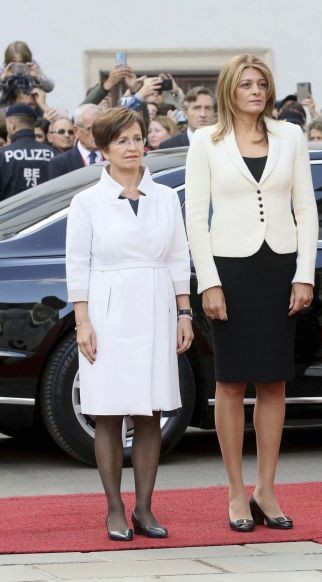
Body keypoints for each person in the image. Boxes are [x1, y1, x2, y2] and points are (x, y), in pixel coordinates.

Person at [184, 54, 318, 533]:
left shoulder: (291, 136)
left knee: (274, 381)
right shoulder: (206, 141)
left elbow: (307, 209)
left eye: (261, 83)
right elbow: (195, 217)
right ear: (229, 90)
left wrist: (304, 274)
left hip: (279, 267)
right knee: (231, 382)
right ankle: (236, 491)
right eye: (246, 84)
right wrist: (209, 281)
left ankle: (266, 488)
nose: (256, 91)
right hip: (231, 270)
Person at [65, 107, 193, 542]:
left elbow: (178, 256)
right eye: (122, 140)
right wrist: (83, 321)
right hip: (108, 308)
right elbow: (77, 264)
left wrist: (184, 312)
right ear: (104, 149)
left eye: (137, 138)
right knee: (108, 413)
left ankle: (144, 507)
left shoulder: (165, 197)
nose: (133, 147)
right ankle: (114, 508)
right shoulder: (87, 202)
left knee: (151, 411)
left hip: (156, 305)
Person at [0, 104, 56, 200]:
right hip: (49, 208)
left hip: (12, 209)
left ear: (12, 124)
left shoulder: (2, 155)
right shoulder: (53, 153)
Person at [49, 104, 104, 179]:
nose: (96, 133)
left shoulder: (113, 157)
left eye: (101, 128)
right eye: (89, 129)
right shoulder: (60, 163)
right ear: (76, 131)